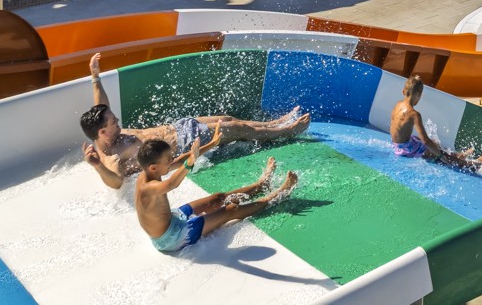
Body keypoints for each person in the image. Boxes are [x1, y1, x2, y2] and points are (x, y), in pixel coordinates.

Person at [80, 51, 310, 189]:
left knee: (228, 118)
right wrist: (98, 166)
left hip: (179, 126)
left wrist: (95, 76)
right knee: (237, 128)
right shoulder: (110, 157)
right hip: (183, 143)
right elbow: (116, 182)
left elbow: (103, 106)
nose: (117, 120)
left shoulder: (107, 129)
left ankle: (273, 124)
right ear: (102, 132)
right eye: (113, 122)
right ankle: (286, 131)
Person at [135, 138, 297, 254]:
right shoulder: (147, 188)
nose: (172, 161)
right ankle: (278, 194)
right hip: (172, 237)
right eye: (168, 160)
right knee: (230, 210)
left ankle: (261, 184)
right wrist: (190, 163)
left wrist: (212, 144)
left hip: (173, 218)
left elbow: (183, 159)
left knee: (218, 198)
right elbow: (171, 184)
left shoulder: (151, 170)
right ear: (153, 167)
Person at [388, 75, 482, 170]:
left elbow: (395, 129)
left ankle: (459, 155)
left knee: (434, 143)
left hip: (398, 146)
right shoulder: (414, 114)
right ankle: (474, 165)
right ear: (419, 94)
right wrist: (440, 156)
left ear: (403, 91)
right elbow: (425, 141)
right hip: (406, 150)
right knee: (439, 154)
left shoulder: (398, 104)